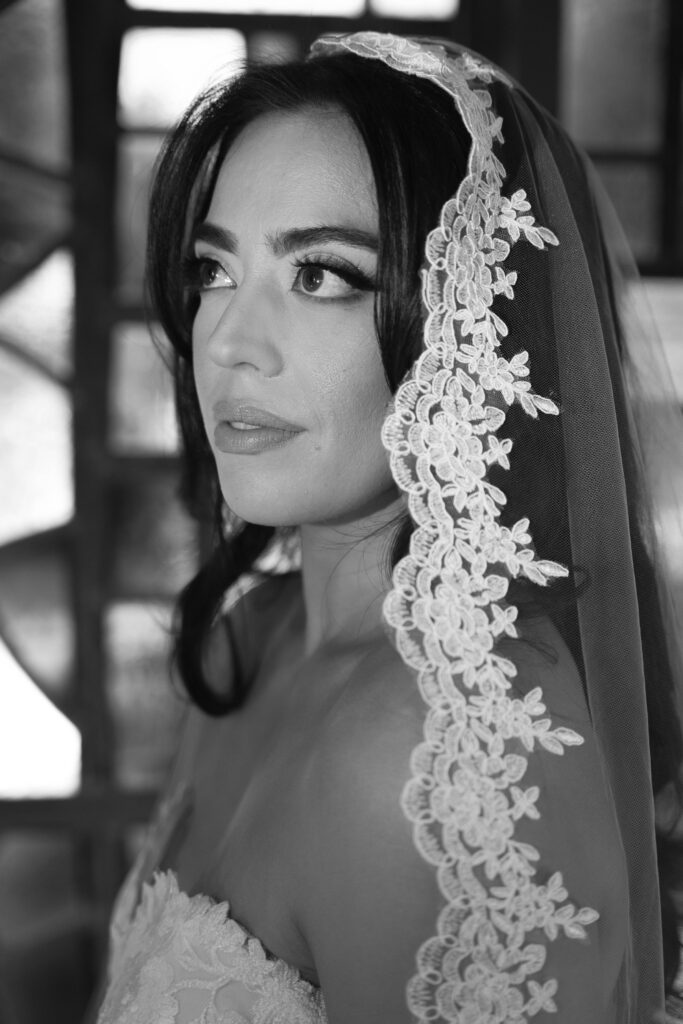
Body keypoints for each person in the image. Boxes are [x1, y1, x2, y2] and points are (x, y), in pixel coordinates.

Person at [95, 31, 683, 1024]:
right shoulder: (254, 637)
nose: (228, 343)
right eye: (211, 269)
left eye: (320, 274)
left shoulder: (429, 747)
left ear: (468, 321)